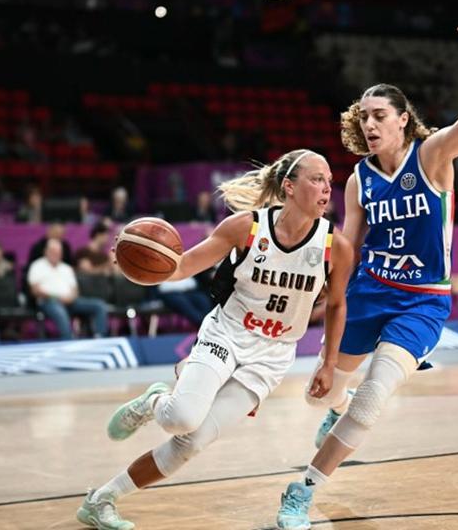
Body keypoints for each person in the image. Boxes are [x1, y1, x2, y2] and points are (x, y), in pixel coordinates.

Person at [275, 0, 458, 529]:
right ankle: (335, 401)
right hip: (370, 293)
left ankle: (303, 489)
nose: (369, 124)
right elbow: (346, 253)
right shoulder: (358, 179)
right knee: (323, 398)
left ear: (404, 120)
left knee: (373, 397)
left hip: (422, 302)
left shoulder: (434, 155)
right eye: (363, 117)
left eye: (379, 116)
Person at [75, 149, 352, 529]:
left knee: (191, 443)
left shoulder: (335, 247)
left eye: (329, 181)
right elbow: (184, 266)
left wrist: (329, 362)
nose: (326, 189)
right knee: (181, 418)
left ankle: (101, 499)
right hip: (227, 334)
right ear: (289, 187)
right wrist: (131, 263)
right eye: (317, 179)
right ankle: (154, 401)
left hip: (271, 356)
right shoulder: (247, 228)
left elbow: (337, 305)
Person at [27, 239, 110, 340]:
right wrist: (56, 297)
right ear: (46, 251)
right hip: (48, 301)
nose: (56, 254)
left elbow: (75, 290)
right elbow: (35, 290)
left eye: (58, 252)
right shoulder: (37, 266)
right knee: (60, 312)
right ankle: (67, 340)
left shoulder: (66, 268)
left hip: (70, 301)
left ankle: (100, 337)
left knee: (99, 305)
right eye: (53, 251)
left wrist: (71, 298)